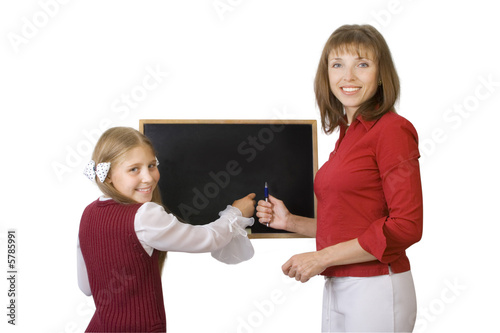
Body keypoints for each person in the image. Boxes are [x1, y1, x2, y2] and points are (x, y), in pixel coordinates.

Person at [256, 24, 423, 332]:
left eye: (362, 64)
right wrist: (291, 222)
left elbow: (407, 226)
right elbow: (351, 226)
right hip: (339, 283)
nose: (348, 77)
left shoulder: (392, 130)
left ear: (381, 73)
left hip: (376, 287)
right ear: (326, 74)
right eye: (338, 65)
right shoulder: (347, 137)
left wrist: (321, 257)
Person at [77, 127, 256, 333]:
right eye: (134, 169)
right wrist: (235, 213)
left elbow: (86, 287)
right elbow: (208, 239)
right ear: (107, 176)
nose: (149, 177)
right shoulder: (145, 215)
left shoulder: (88, 213)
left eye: (151, 165)